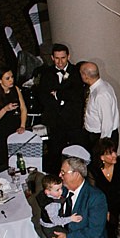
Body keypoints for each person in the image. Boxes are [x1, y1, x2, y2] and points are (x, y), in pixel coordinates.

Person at [35, 43, 87, 180]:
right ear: (52, 58)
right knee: (56, 151)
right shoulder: (46, 73)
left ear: (68, 56)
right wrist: (61, 100)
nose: (60, 62)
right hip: (55, 120)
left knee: (78, 150)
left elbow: (77, 95)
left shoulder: (76, 71)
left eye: (63, 58)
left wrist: (58, 94)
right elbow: (43, 97)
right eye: (57, 58)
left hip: (73, 119)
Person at [0, 65, 27, 171]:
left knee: (19, 158)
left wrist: (22, 125)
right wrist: (5, 109)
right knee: (5, 162)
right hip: (1, 132)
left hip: (15, 128)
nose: (11, 80)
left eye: (12, 77)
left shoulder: (15, 89)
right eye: (7, 78)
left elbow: (23, 109)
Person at [79, 60, 119, 152]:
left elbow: (107, 122)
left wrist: (103, 145)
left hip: (101, 137)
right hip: (94, 135)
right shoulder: (101, 86)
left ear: (85, 76)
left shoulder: (101, 94)